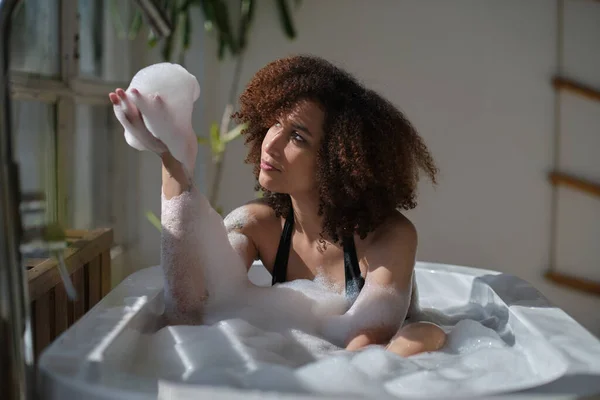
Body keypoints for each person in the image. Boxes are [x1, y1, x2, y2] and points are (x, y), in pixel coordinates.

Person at [108, 55, 446, 358]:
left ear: (340, 161)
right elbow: (191, 307)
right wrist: (173, 161)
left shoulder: (389, 236)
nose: (272, 143)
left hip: (387, 359)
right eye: (275, 124)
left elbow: (366, 339)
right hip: (324, 363)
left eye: (298, 137)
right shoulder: (258, 225)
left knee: (420, 336)